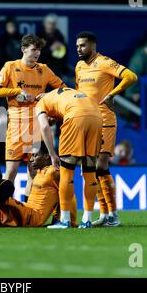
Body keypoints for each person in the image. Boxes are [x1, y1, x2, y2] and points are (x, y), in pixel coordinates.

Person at [75, 31, 138, 227]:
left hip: (104, 120)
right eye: (77, 46)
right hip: (86, 121)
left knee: (100, 166)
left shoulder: (104, 62)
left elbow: (131, 76)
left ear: (92, 46)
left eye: (83, 45)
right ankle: (104, 214)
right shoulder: (79, 66)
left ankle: (113, 214)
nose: (79, 49)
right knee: (91, 168)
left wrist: (113, 94)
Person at [0, 34, 65, 199]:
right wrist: (17, 91)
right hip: (16, 127)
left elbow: (63, 88)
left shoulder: (44, 69)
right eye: (33, 49)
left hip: (36, 127)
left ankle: (28, 210)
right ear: (23, 49)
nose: (37, 53)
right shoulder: (10, 67)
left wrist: (47, 96)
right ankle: (4, 208)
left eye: (39, 50)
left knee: (33, 172)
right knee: (11, 172)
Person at [37, 87, 103, 229]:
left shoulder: (40, 103)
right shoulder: (64, 93)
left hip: (75, 117)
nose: (51, 121)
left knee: (66, 171)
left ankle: (65, 220)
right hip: (97, 116)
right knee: (90, 172)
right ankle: (87, 220)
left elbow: (44, 127)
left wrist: (52, 154)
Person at [0, 142, 77, 227]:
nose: (32, 159)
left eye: (35, 156)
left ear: (46, 156)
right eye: (31, 156)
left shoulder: (53, 171)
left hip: (33, 217)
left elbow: (69, 191)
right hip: (27, 211)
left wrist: (65, 220)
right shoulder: (39, 172)